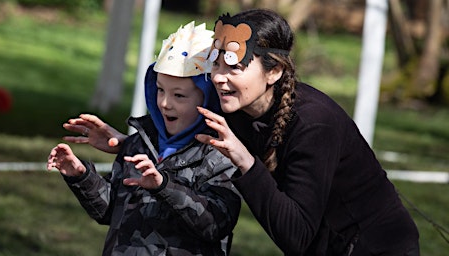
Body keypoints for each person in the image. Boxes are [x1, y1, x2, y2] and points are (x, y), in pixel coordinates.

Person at [68, 9, 421, 256]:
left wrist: (244, 161)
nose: (219, 77)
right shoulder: (230, 103)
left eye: (233, 66)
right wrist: (125, 144)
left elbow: (296, 235)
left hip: (375, 246)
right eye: (216, 64)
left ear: (274, 72)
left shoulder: (315, 124)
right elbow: (183, 144)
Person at [47, 21, 241, 256]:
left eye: (179, 95)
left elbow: (214, 225)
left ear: (207, 98)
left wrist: (163, 186)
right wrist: (81, 176)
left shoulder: (220, 151)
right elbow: (109, 211)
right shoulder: (142, 141)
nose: (165, 103)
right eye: (160, 90)